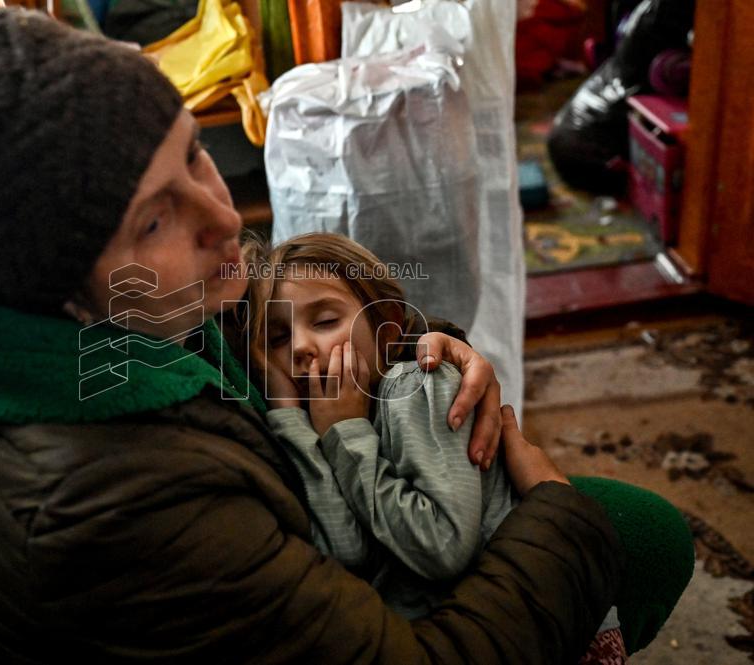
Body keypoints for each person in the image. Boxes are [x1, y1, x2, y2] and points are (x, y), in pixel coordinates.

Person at [0, 9, 691, 664]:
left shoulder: (127, 309)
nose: (224, 218)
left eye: (193, 154)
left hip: (332, 546)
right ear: (60, 291)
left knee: (640, 530)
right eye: (155, 221)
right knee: (628, 534)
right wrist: (552, 503)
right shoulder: (106, 504)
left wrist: (426, 346)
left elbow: (297, 301)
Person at [241, 233, 624, 660]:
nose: (299, 347)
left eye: (325, 321)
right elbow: (344, 551)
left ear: (386, 325)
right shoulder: (324, 420)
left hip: (552, 625)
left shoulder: (417, 386)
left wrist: (347, 433)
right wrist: (292, 418)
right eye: (277, 337)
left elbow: (443, 546)